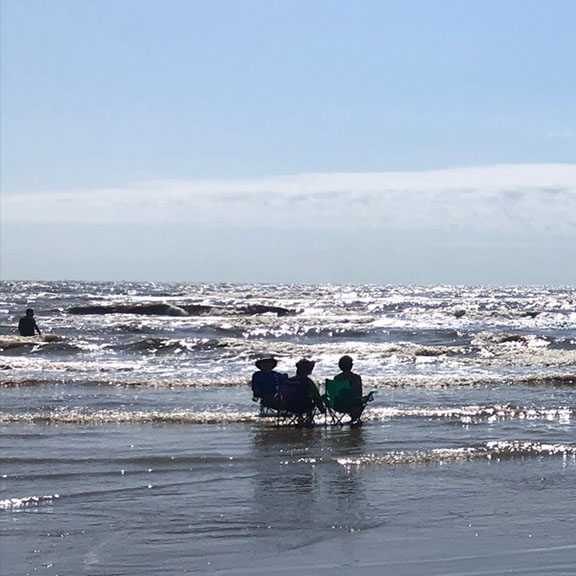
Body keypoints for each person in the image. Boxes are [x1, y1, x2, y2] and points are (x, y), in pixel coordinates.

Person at [333, 355, 372, 427]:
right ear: (351, 365)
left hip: (337, 405)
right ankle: (355, 418)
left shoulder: (336, 378)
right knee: (361, 400)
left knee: (353, 400)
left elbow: (335, 393)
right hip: (352, 404)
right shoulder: (356, 378)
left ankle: (353, 418)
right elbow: (359, 393)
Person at [287, 358, 326, 426]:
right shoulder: (308, 382)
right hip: (305, 406)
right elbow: (316, 397)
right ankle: (309, 420)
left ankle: (300, 418)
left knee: (299, 398)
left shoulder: (289, 381)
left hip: (289, 406)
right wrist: (322, 409)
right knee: (311, 401)